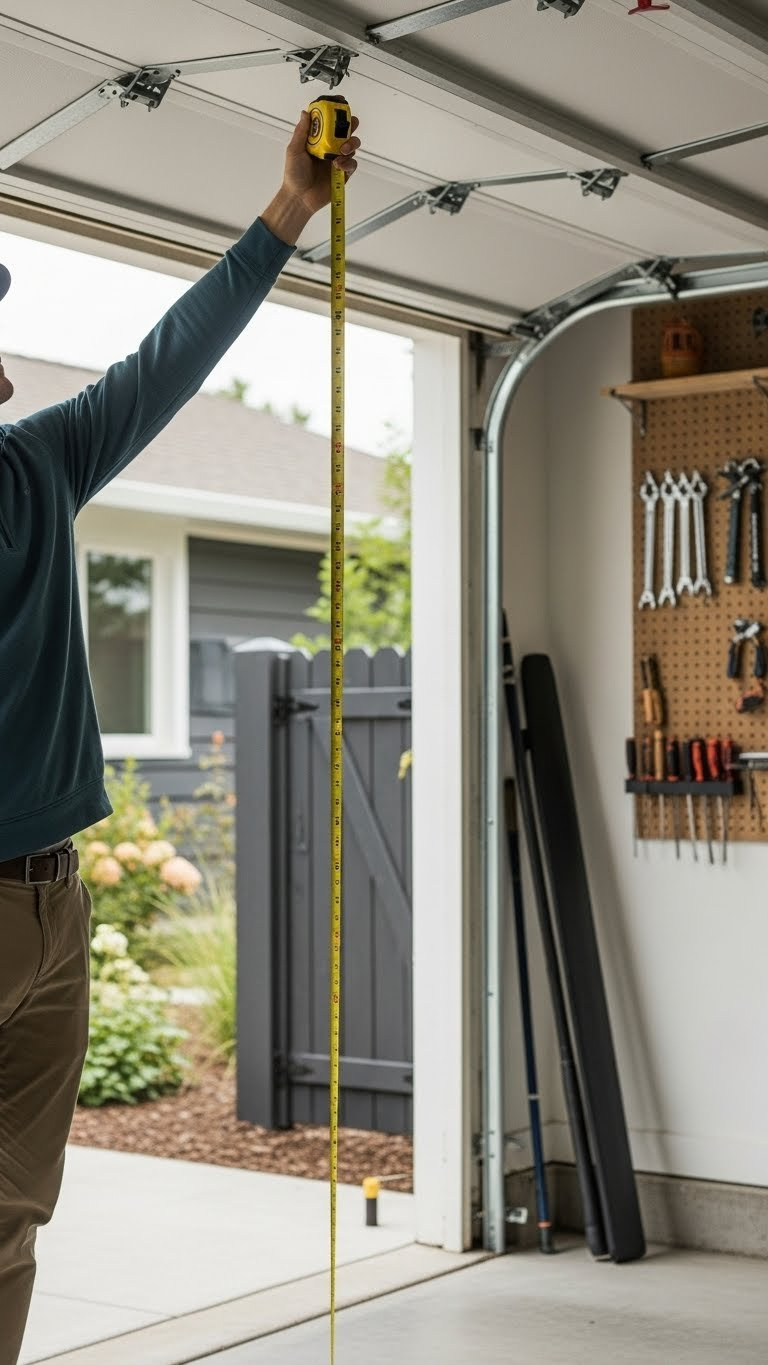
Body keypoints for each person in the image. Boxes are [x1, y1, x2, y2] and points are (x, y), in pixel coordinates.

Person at [0, 109, 360, 1365]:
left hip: (50, 908)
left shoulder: (36, 466)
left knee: (13, 1216)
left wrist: (292, 212)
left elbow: (167, 362)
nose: (3, 370)